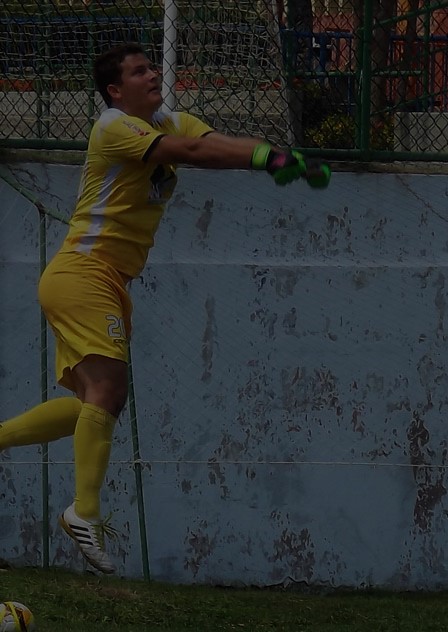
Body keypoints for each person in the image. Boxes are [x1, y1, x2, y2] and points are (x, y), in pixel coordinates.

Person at [0, 43, 330, 575]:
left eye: (152, 65)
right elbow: (192, 155)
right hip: (83, 272)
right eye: (139, 71)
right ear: (115, 90)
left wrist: (271, 153)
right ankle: (83, 513)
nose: (153, 73)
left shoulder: (167, 118)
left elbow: (213, 142)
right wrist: (267, 157)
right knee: (107, 390)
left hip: (101, 278)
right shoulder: (113, 125)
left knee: (96, 397)